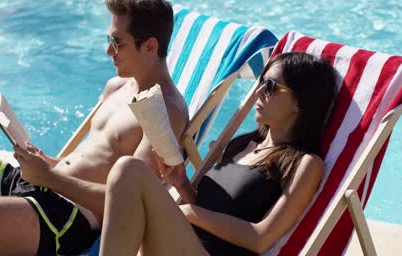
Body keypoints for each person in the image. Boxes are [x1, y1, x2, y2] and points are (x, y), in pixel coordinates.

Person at [0, 0, 189, 255]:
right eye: (108, 39)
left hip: (61, 218)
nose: (108, 51)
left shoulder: (166, 110)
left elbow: (131, 205)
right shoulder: (116, 87)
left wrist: (49, 177)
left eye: (117, 42)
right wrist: (48, 163)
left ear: (149, 46)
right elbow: (92, 160)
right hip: (39, 184)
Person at [98, 52, 337, 255]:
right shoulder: (244, 144)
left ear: (300, 102)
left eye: (271, 86)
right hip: (184, 244)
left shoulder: (305, 163)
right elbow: (210, 211)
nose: (259, 91)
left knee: (129, 170)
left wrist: (191, 213)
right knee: (128, 169)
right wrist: (182, 185)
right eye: (261, 81)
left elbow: (261, 238)